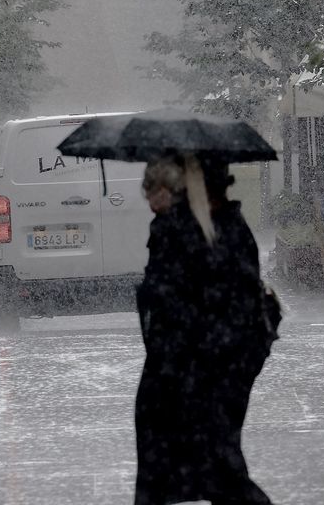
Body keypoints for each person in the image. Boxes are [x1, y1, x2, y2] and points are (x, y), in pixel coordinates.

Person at [134, 153, 274, 505]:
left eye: (156, 189)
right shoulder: (204, 226)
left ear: (180, 189)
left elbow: (189, 301)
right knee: (211, 467)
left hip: (195, 369)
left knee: (217, 469)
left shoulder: (195, 229)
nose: (150, 199)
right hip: (192, 367)